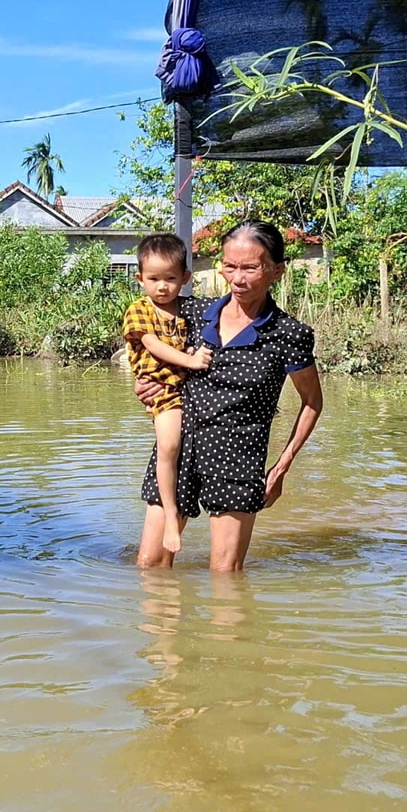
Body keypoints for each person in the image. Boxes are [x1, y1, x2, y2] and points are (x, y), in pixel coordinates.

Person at [134, 221, 324, 573]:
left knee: (225, 575)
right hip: (179, 447)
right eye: (230, 266)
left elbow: (312, 402)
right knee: (151, 566)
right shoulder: (190, 313)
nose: (238, 278)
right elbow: (147, 349)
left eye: (251, 268)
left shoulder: (288, 334)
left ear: (276, 271)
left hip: (238, 457)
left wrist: (282, 466)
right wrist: (146, 385)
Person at [121, 233, 213, 554]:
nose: (162, 286)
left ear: (185, 278)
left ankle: (173, 512)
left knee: (174, 447)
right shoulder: (139, 310)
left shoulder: (188, 312)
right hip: (162, 390)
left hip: (185, 389)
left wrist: (190, 355)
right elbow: (152, 344)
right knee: (169, 445)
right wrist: (190, 359)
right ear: (140, 279)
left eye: (170, 278)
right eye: (154, 279)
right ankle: (171, 515)